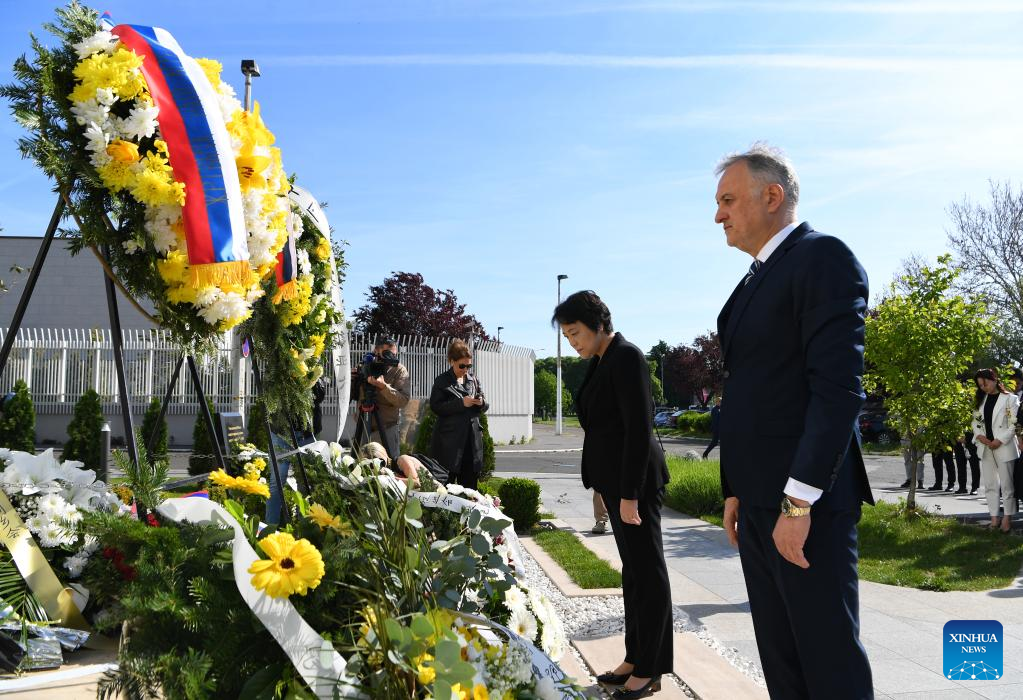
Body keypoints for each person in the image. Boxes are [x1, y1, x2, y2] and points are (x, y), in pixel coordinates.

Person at [713, 144, 874, 699]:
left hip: (806, 505)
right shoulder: (756, 279)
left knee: (827, 664)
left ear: (772, 196)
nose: (719, 215)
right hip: (759, 502)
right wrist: (734, 489)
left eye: (729, 200)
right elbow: (750, 393)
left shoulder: (822, 258)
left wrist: (798, 502)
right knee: (782, 663)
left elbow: (836, 392)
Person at [553, 290, 671, 699]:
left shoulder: (627, 356)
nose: (573, 342)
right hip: (616, 484)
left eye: (575, 333)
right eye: (567, 337)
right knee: (634, 574)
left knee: (649, 575)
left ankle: (652, 669)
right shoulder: (602, 360)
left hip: (633, 485)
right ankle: (635, 658)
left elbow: (639, 429)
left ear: (599, 324)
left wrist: (630, 495)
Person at [428, 340, 489, 490]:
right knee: (444, 488)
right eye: (462, 365)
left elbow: (485, 405)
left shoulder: (473, 380)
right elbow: (436, 407)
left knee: (470, 490)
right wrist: (461, 403)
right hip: (449, 444)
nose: (465, 369)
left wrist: (481, 403)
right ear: (451, 361)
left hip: (471, 442)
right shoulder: (442, 381)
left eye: (469, 365)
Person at [972, 368, 1019, 532]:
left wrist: (999, 440)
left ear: (994, 379)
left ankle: (1007, 518)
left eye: (985, 383)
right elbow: (975, 422)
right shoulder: (980, 400)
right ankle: (994, 518)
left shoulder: (1010, 399)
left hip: (1004, 446)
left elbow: (1014, 424)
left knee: (1007, 485)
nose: (983, 387)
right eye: (980, 385)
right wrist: (980, 437)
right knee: (991, 484)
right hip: (986, 447)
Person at [354, 337, 410, 460]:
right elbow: (355, 395)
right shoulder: (365, 366)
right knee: (361, 467)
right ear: (376, 351)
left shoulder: (399, 370)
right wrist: (354, 380)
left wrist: (384, 387)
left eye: (394, 354)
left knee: (388, 468)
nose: (391, 358)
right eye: (387, 354)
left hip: (386, 429)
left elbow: (403, 400)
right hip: (363, 426)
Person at [359, 441, 449, 486]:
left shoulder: (402, 460)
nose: (376, 465)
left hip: (440, 490)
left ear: (384, 454)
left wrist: (389, 478)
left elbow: (417, 483)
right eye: (371, 464)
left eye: (379, 460)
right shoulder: (387, 470)